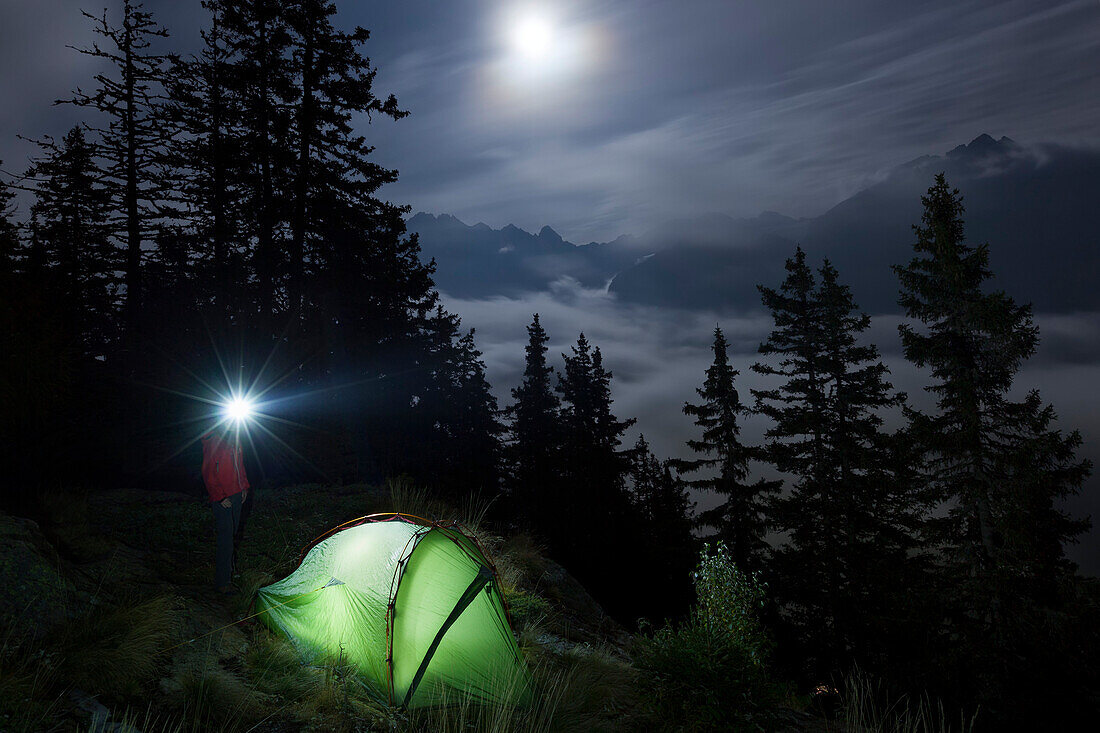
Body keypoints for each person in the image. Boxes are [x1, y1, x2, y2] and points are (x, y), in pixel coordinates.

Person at [201, 429, 250, 594]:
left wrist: (244, 486)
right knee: (226, 540)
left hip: (237, 495)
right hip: (223, 498)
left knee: (233, 535)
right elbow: (208, 472)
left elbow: (240, 466)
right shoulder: (213, 441)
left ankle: (229, 572)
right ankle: (222, 583)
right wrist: (219, 497)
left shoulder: (236, 440)